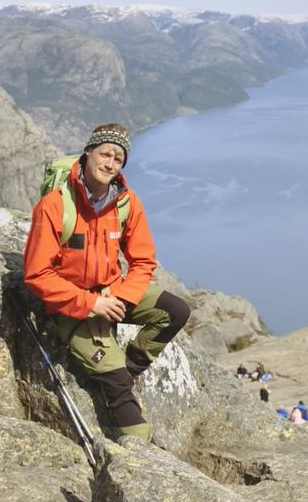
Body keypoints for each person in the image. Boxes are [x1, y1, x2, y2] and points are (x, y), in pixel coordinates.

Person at [23, 123, 191, 441]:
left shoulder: (125, 204)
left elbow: (143, 262)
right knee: (118, 390)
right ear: (88, 153)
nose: (110, 163)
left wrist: (123, 299)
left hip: (112, 292)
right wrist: (92, 303)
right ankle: (138, 458)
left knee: (175, 310)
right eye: (104, 153)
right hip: (72, 306)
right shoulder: (56, 206)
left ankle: (131, 367)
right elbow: (36, 274)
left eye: (118, 158)